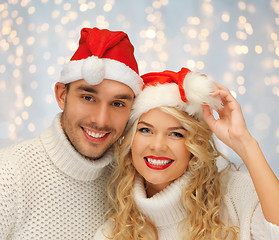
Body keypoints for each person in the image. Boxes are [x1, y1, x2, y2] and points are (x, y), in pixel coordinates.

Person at [94, 68, 279, 239]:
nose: (158, 146)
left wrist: (245, 143)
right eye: (145, 130)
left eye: (176, 134)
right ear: (129, 140)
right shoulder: (112, 233)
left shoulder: (235, 194)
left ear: (194, 144)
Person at [0, 27, 143, 239]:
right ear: (61, 95)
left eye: (117, 103)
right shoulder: (9, 176)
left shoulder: (130, 181)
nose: (101, 120)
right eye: (88, 98)